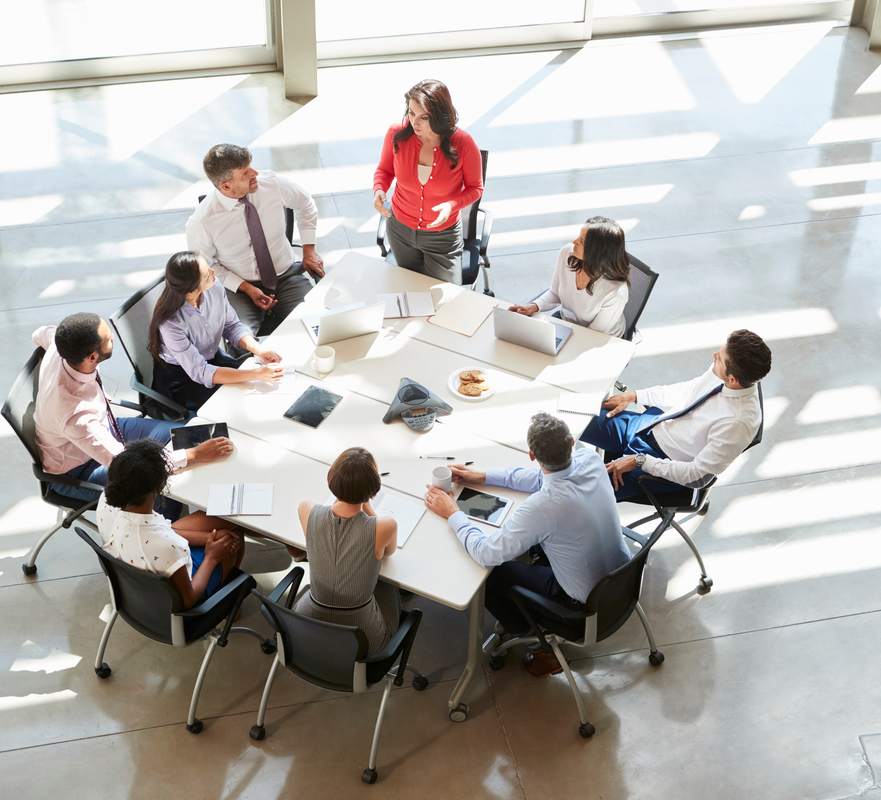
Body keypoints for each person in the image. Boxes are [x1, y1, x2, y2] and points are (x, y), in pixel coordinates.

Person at [423, 412, 630, 678]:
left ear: (532, 455)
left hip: (581, 608)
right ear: (571, 443)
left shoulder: (543, 507)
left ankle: (539, 646)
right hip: (619, 581)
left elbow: (486, 554)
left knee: (488, 574)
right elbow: (542, 479)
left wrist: (453, 512)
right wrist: (484, 476)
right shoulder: (590, 458)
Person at [31, 313, 234, 514]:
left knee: (185, 434)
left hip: (106, 427)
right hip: (78, 471)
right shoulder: (77, 416)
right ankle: (166, 539)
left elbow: (39, 334)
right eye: (108, 337)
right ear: (92, 357)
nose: (112, 337)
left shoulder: (61, 345)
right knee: (163, 489)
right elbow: (129, 466)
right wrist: (194, 454)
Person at [581, 329, 771, 501]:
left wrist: (640, 461)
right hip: (651, 426)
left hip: (660, 464)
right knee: (575, 416)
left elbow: (696, 475)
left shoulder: (739, 423)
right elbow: (688, 390)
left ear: (733, 379)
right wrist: (635, 396)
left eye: (719, 358)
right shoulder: (723, 372)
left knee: (580, 495)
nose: (713, 356)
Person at [186, 143, 323, 345]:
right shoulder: (202, 222)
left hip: (285, 277)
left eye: (251, 167)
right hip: (239, 289)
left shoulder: (272, 183)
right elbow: (207, 268)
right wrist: (247, 288)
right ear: (226, 186)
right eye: (245, 173)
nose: (255, 173)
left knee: (319, 327)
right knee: (242, 345)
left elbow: (305, 204)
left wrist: (309, 250)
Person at [97, 440, 243, 608]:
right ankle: (228, 602)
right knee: (233, 536)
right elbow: (188, 599)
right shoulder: (166, 546)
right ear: (160, 486)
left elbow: (162, 532)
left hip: (139, 584)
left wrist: (207, 538)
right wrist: (211, 557)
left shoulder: (107, 502)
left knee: (222, 526)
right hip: (176, 607)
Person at [372, 79, 484, 284]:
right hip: (400, 230)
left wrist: (452, 205)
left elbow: (475, 188)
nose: (415, 123)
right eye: (411, 113)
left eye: (424, 117)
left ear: (441, 116)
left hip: (442, 237)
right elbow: (384, 170)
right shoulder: (397, 133)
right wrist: (379, 189)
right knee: (412, 292)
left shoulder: (463, 143)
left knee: (446, 302)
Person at [292, 447, 400, 656]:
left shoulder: (306, 510)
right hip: (365, 639)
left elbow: (335, 508)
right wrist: (365, 502)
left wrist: (346, 493)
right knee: (390, 584)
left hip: (308, 625)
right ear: (373, 488)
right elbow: (388, 553)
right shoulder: (385, 527)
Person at [148, 251, 285, 412]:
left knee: (262, 389)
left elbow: (231, 326)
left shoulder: (215, 286)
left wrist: (259, 350)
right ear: (192, 291)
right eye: (207, 275)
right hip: (183, 379)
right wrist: (256, 374)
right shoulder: (171, 323)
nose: (213, 273)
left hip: (212, 359)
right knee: (240, 402)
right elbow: (200, 372)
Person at [509, 217, 631, 338]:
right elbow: (555, 293)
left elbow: (593, 335)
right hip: (568, 323)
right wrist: (532, 307)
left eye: (582, 241)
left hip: (599, 338)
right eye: (579, 236)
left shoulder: (615, 291)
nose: (574, 242)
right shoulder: (568, 253)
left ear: (597, 252)